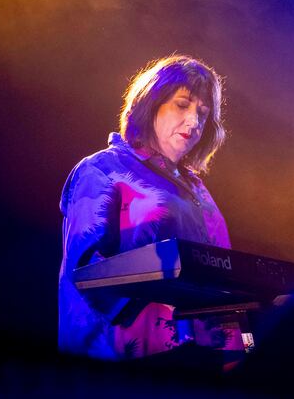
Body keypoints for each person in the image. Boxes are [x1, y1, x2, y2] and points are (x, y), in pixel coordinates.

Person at [58, 55, 235, 360]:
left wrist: (241, 342)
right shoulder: (104, 168)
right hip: (126, 361)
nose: (194, 122)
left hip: (202, 362)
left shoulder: (198, 189)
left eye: (203, 114)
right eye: (182, 104)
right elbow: (87, 269)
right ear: (151, 103)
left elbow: (224, 273)